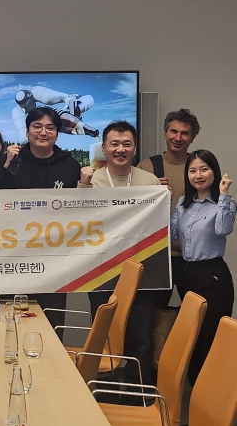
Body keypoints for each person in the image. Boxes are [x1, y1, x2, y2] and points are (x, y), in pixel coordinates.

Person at [79, 120, 160, 386]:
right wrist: (83, 187)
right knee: (103, 336)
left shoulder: (149, 181)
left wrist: (165, 198)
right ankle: (102, 392)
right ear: (104, 147)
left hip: (142, 271)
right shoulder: (92, 181)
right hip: (102, 271)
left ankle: (139, 395)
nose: (120, 149)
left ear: (134, 148)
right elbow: (78, 222)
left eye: (127, 144)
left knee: (141, 337)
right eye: (114, 144)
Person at [0, 107, 82, 334]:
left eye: (50, 128)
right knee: (12, 324)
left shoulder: (70, 166)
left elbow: (80, 211)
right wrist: (5, 165)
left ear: (57, 134)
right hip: (14, 256)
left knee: (52, 324)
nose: (43, 132)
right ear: (27, 131)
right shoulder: (12, 162)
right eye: (37, 126)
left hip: (55, 260)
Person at [171, 150, 234, 386]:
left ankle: (213, 395)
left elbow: (223, 229)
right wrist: (164, 204)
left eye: (204, 169)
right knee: (193, 337)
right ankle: (196, 391)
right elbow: (170, 235)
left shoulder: (224, 203)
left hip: (213, 276)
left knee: (211, 337)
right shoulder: (183, 203)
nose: (198, 175)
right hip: (187, 275)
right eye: (192, 170)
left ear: (214, 172)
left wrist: (224, 195)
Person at [137, 108, 200, 308]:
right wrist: (151, 190)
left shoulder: (200, 168)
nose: (178, 138)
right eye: (173, 131)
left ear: (192, 137)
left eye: (185, 133)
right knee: (151, 314)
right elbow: (133, 211)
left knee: (196, 314)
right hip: (156, 256)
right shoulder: (146, 167)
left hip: (192, 258)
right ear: (165, 133)